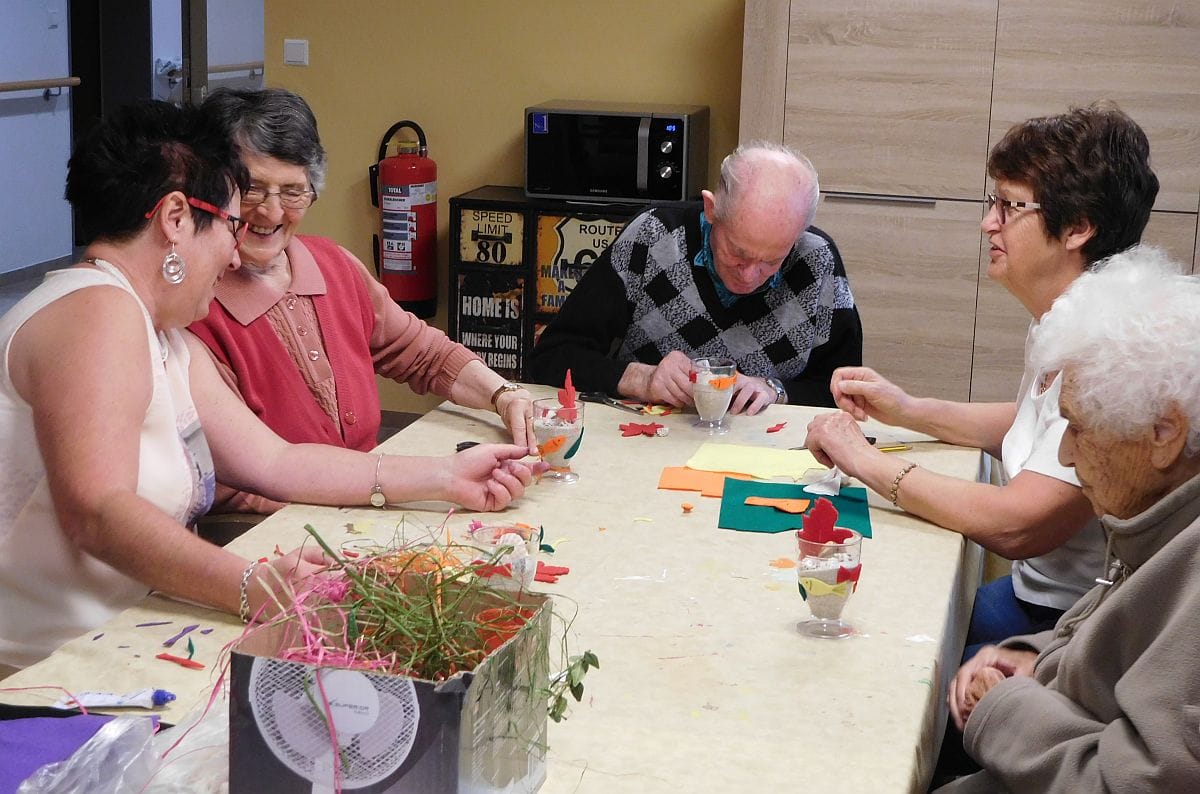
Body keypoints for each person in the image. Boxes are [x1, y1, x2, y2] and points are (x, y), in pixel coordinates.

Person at [0, 101, 541, 672]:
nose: (235, 255)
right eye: (232, 223)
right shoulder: (97, 313)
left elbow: (277, 461)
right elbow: (98, 511)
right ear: (176, 218)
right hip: (40, 677)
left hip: (118, 644)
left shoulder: (161, 334)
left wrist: (448, 476)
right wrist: (250, 584)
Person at [803, 104, 1158, 655]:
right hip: (1036, 595)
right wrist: (908, 409)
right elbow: (1035, 423)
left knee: (879, 646)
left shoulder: (1109, 349)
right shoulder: (1067, 315)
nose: (989, 223)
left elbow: (1019, 525)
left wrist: (862, 459)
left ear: (1078, 228)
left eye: (1010, 206)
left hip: (1077, 624)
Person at [189, 88, 536, 514]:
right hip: (272, 531)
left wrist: (504, 395)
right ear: (217, 191)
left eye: (293, 191)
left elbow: (423, 353)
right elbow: (230, 483)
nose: (272, 212)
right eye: (252, 189)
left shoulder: (332, 264)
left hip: (364, 513)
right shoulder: (194, 308)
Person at [936, 246, 1200, 791]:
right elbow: (1114, 649)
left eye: (1078, 429)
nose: (1065, 454)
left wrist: (1007, 709)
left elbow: (1130, 784)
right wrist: (1037, 658)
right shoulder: (1158, 520)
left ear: (1164, 434)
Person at [528, 141, 862, 411]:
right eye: (738, 253)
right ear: (711, 209)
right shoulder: (653, 236)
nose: (750, 276)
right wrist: (642, 379)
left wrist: (775, 390)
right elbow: (550, 358)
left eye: (772, 260)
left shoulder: (817, 260)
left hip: (765, 455)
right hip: (648, 444)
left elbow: (846, 396)